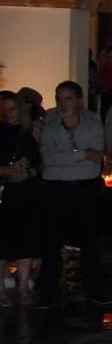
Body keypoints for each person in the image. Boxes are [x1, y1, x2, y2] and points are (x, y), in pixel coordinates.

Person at [38, 80, 111, 311]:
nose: (63, 104)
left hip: (84, 187)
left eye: (68, 98)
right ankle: (48, 292)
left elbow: (96, 155)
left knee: (89, 241)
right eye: (59, 98)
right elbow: (49, 159)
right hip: (56, 188)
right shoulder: (50, 127)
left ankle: (96, 290)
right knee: (51, 243)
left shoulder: (93, 125)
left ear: (79, 100)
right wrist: (81, 154)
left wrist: (71, 156)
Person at [0, 104, 42, 307]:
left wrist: (28, 173)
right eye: (5, 108)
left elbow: (38, 164)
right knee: (2, 242)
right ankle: (1, 288)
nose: (9, 112)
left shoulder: (27, 135)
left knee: (24, 239)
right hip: (3, 192)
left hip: (24, 193)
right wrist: (7, 170)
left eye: (13, 108)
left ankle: (23, 285)